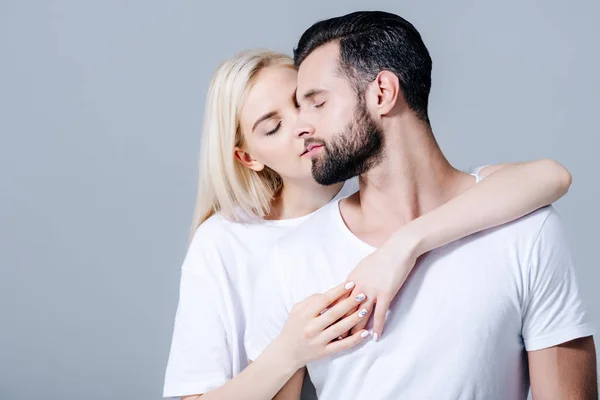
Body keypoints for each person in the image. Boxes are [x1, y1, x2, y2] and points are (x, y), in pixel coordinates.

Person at [164, 49, 578, 400]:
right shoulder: (227, 242)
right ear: (248, 158)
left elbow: (548, 178)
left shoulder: (375, 191)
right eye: (273, 127)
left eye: (309, 103)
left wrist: (403, 245)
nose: (303, 127)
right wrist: (289, 351)